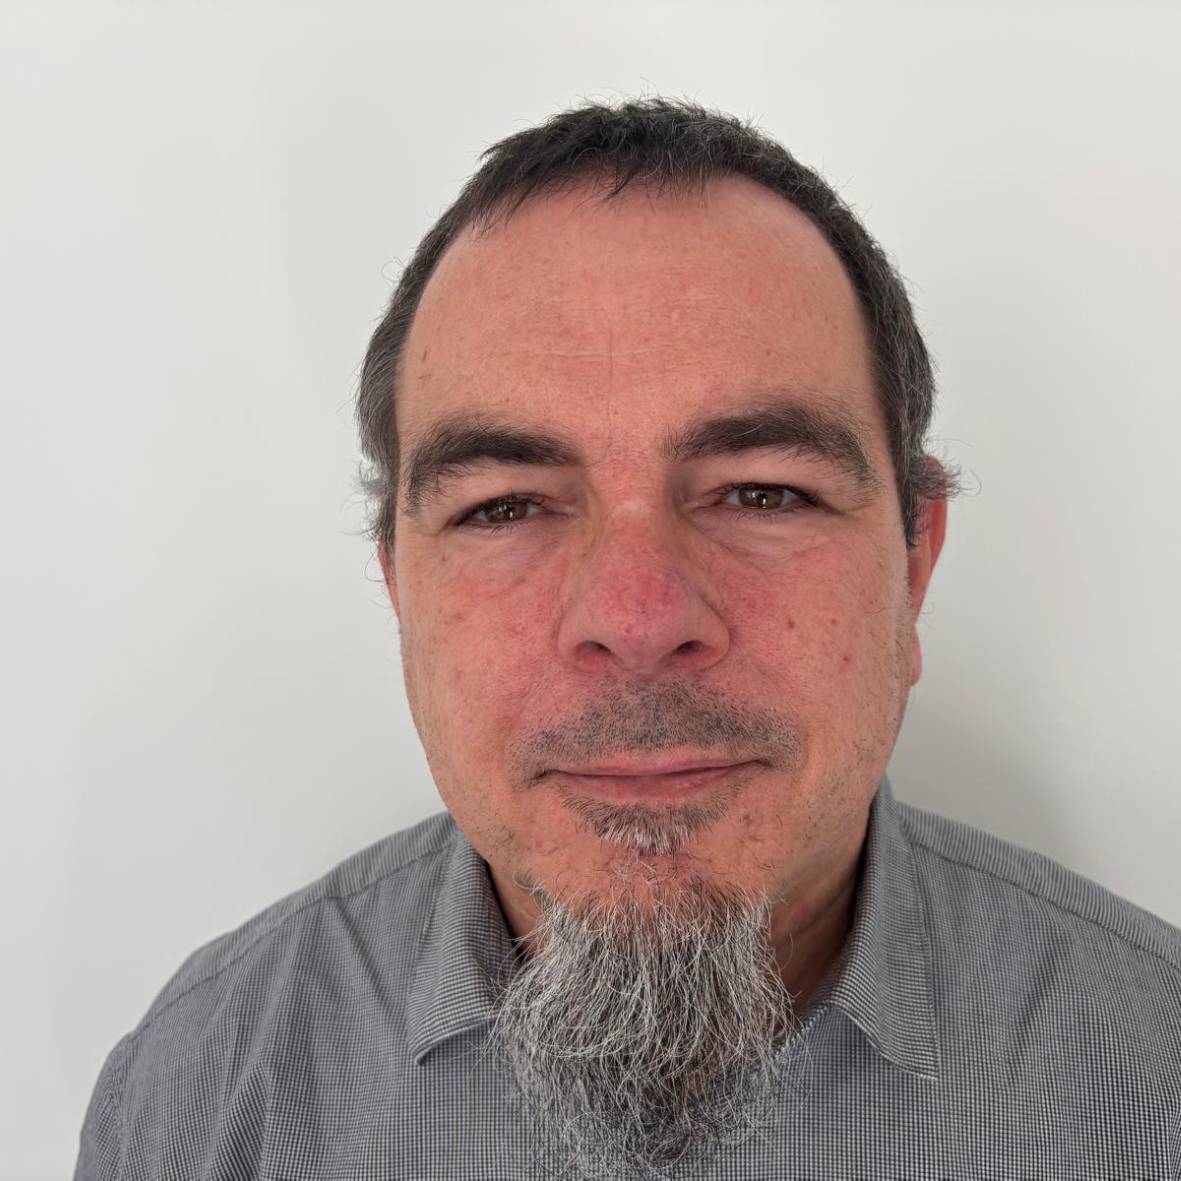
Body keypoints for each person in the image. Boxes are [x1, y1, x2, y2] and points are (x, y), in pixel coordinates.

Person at [74, 97, 1181, 1181]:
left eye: (761, 491)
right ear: (399, 584)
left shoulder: (1156, 1078)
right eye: (505, 506)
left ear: (911, 565)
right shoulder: (197, 1099)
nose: (638, 619)